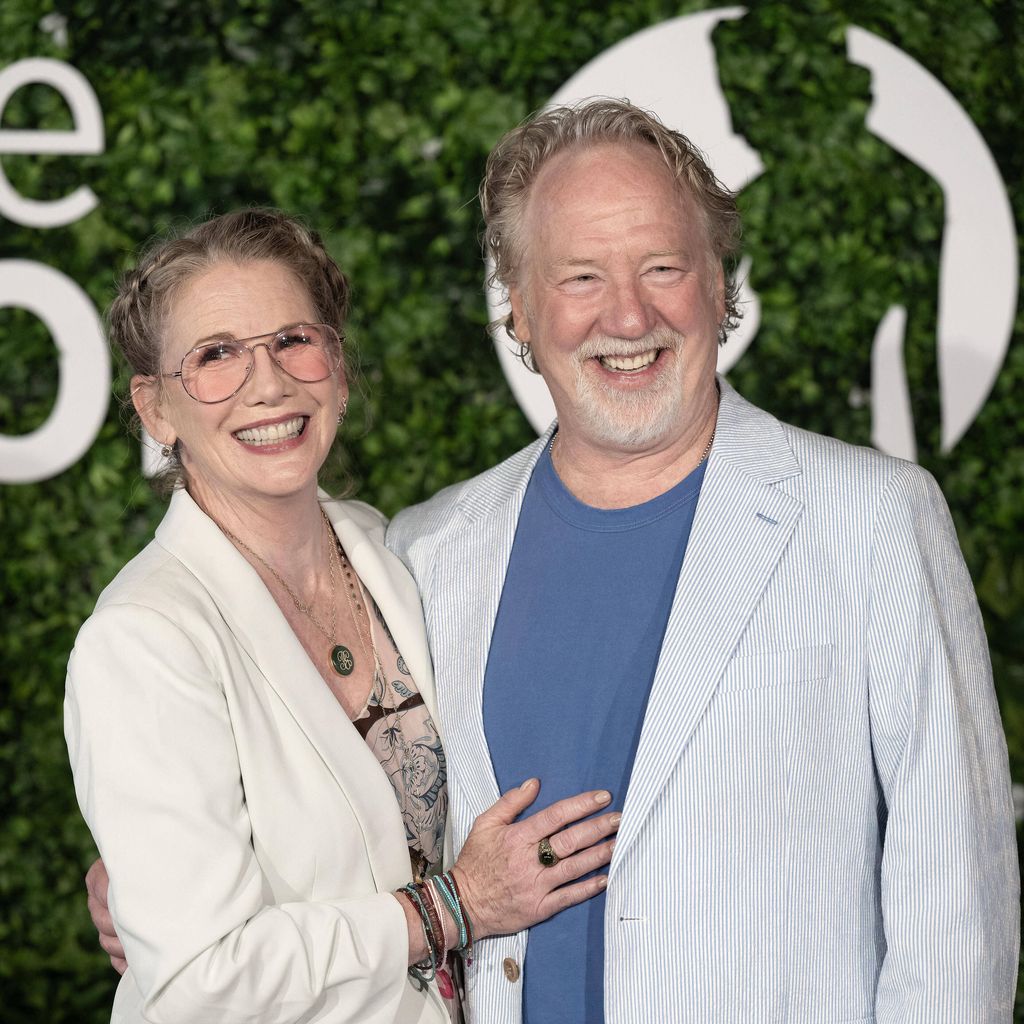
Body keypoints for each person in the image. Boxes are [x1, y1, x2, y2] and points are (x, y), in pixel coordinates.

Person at [384, 100, 1020, 1021]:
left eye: (663, 268)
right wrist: (187, 892)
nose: (628, 313)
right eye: (581, 277)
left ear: (721, 285)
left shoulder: (873, 517)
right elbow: (354, 811)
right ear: (517, 309)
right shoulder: (430, 548)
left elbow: (957, 898)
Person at [65, 209, 618, 1024]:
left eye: (293, 339)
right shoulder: (142, 640)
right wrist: (455, 905)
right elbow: (199, 984)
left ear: (339, 369)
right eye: (215, 355)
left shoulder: (387, 549)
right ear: (155, 408)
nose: (269, 383)